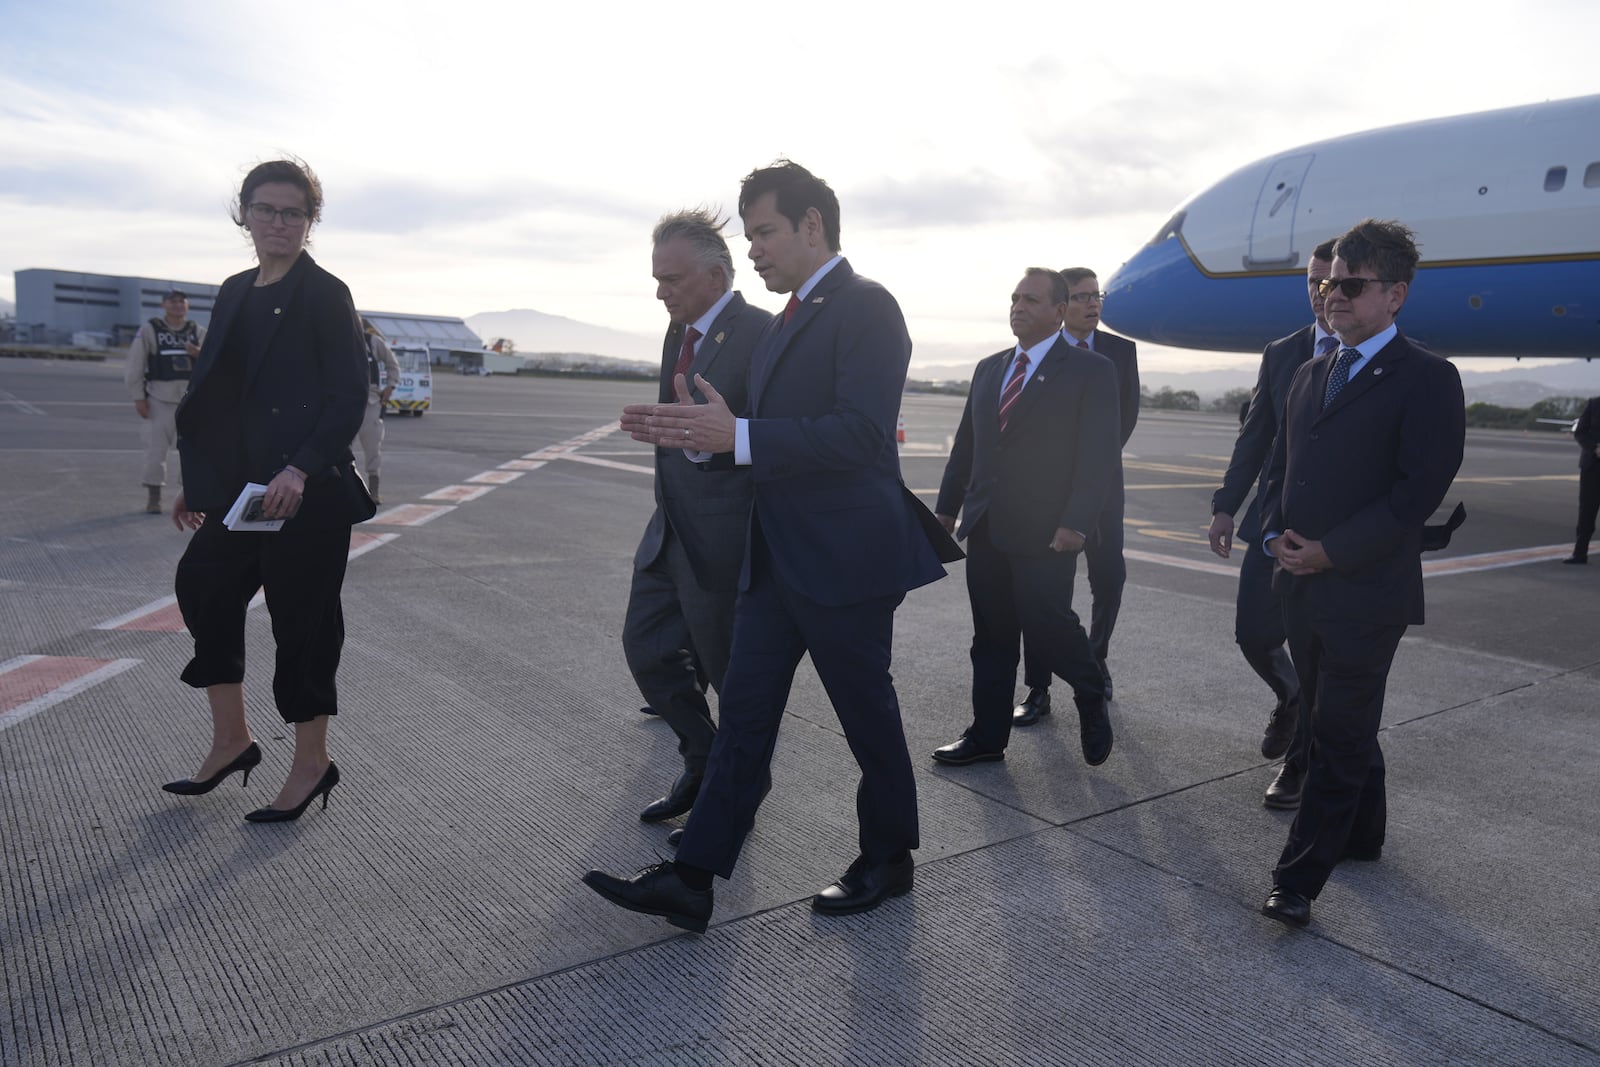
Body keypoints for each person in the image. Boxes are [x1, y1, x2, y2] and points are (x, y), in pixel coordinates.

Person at [584, 160, 957, 932]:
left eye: (764, 232)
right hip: (776, 555)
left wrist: (742, 433)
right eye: (750, 233)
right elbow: (761, 443)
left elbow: (860, 436)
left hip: (845, 559)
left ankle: (888, 858)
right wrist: (706, 440)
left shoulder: (867, 307)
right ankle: (692, 879)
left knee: (866, 717)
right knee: (745, 717)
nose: (753, 249)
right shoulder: (789, 317)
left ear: (812, 225)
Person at [1258, 219, 1465, 927]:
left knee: (1339, 733)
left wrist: (1331, 551)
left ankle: (1298, 877)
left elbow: (1415, 495)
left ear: (1395, 294)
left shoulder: (1429, 379)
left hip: (1367, 591)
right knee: (1334, 721)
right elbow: (1284, 470)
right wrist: (1273, 537)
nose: (1331, 295)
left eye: (1350, 283)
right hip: (1299, 585)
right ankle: (1365, 835)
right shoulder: (1311, 371)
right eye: (1325, 282)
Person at [161, 159, 372, 823]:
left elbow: (347, 397)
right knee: (204, 585)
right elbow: (219, 396)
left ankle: (312, 761)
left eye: (293, 212)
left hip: (302, 493)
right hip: (245, 492)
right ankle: (232, 739)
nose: (279, 222)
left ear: (310, 222)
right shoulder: (233, 291)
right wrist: (197, 484)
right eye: (267, 209)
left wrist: (301, 468)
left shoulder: (325, 293)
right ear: (244, 214)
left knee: (303, 625)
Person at [931, 268, 1119, 767]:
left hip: (1048, 530)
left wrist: (1077, 521)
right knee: (991, 636)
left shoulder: (1090, 370)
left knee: (1048, 624)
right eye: (1015, 298)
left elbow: (1097, 455)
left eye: (1031, 300)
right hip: (988, 525)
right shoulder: (989, 368)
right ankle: (987, 738)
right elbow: (967, 448)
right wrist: (946, 512)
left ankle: (1089, 689)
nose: (1018, 306)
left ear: (1059, 311)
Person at [623, 208, 770, 825]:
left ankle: (733, 798)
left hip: (724, 540)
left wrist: (715, 441)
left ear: (716, 275)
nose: (661, 292)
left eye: (672, 280)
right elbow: (680, 423)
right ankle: (702, 759)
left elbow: (768, 437)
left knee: (727, 674)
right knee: (647, 650)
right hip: (669, 529)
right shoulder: (675, 331)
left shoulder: (762, 333)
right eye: (656, 279)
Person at [1207, 239, 1336, 804]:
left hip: (1329, 536)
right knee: (1253, 633)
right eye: (1312, 281)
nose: (1321, 292)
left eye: (1332, 281)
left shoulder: (1378, 357)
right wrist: (1225, 504)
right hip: (1270, 521)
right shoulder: (1283, 351)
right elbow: (1255, 433)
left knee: (1316, 656)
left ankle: (1299, 765)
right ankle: (1286, 697)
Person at [1012, 267, 1138, 725]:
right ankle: (1038, 686)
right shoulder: (1043, 352)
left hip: (1105, 490)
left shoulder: (1121, 351)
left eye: (1097, 295)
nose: (1094, 304)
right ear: (1063, 305)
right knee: (1047, 592)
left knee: (1110, 578)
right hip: (1048, 495)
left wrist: (1091, 472)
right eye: (1083, 296)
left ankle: (1094, 657)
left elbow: (1124, 419)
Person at [125, 289, 205, 514]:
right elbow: (135, 365)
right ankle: (154, 496)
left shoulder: (197, 332)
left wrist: (199, 353)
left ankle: (189, 496)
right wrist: (138, 397)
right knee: (155, 451)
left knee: (193, 453)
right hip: (159, 400)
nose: (178, 305)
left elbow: (216, 361)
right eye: (173, 301)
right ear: (164, 305)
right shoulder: (150, 330)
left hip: (190, 403)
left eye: (182, 301)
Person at [353, 318, 400, 504]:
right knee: (338, 449)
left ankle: (373, 490)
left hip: (370, 400)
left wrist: (390, 386)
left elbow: (392, 364)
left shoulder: (372, 342)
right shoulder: (336, 339)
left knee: (372, 446)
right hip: (342, 400)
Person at [1564, 395, 1600, 564]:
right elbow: (1580, 432)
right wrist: (1595, 448)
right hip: (1591, 467)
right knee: (1586, 511)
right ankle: (1580, 553)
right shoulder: (1594, 404)